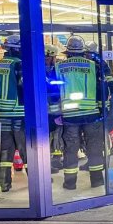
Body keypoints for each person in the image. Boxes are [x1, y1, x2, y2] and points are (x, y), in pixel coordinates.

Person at [55, 36, 108, 189]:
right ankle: (97, 180)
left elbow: (52, 91)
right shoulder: (94, 66)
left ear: (68, 52)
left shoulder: (59, 67)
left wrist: (56, 114)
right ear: (83, 51)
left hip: (70, 116)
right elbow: (102, 89)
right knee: (94, 148)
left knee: (70, 149)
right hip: (91, 114)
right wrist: (101, 108)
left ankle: (70, 183)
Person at [0, 35, 25, 192]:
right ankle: (38, 182)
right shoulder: (19, 64)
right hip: (18, 113)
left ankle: (4, 184)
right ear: (16, 49)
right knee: (27, 149)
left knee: (4, 151)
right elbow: (24, 88)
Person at [86, 41, 113, 155]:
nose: (86, 55)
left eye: (87, 52)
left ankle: (112, 147)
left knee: (104, 124)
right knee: (108, 123)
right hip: (102, 98)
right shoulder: (101, 63)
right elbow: (111, 83)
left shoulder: (96, 63)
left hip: (100, 99)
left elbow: (109, 82)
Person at [44, 44, 64, 174]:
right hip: (46, 111)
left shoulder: (56, 69)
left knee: (57, 134)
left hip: (55, 109)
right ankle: (48, 163)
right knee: (47, 137)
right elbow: (51, 85)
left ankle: (56, 158)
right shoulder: (41, 70)